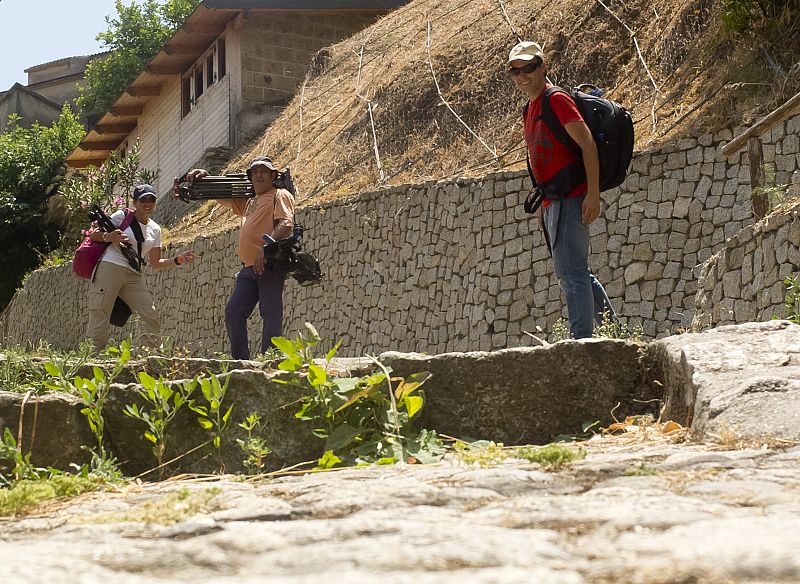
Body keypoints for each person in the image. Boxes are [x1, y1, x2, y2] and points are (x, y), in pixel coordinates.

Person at [508, 41, 616, 339]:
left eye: (529, 68)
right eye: (515, 71)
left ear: (543, 67)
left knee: (571, 274)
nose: (522, 76)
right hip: (552, 200)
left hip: (572, 197)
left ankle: (580, 342)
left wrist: (592, 194)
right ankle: (614, 333)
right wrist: (543, 207)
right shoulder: (530, 107)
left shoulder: (556, 99)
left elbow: (587, 144)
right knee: (578, 271)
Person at [186, 157, 295, 359]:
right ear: (250, 177)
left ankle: (270, 359)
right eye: (255, 172)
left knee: (270, 312)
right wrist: (206, 178)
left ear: (273, 175)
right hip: (248, 267)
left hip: (270, 264)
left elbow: (286, 224)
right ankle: (240, 361)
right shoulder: (250, 201)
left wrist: (267, 246)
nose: (259, 175)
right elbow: (222, 197)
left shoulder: (279, 195)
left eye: (264, 171)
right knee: (234, 311)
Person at [86, 184, 196, 349]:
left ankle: (152, 355)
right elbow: (93, 235)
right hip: (110, 267)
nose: (147, 203)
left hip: (133, 275)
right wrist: (109, 237)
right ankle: (94, 355)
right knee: (100, 311)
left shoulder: (155, 229)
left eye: (151, 200)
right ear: (135, 202)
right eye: (143, 200)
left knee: (149, 313)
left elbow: (155, 263)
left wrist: (177, 259)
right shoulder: (122, 216)